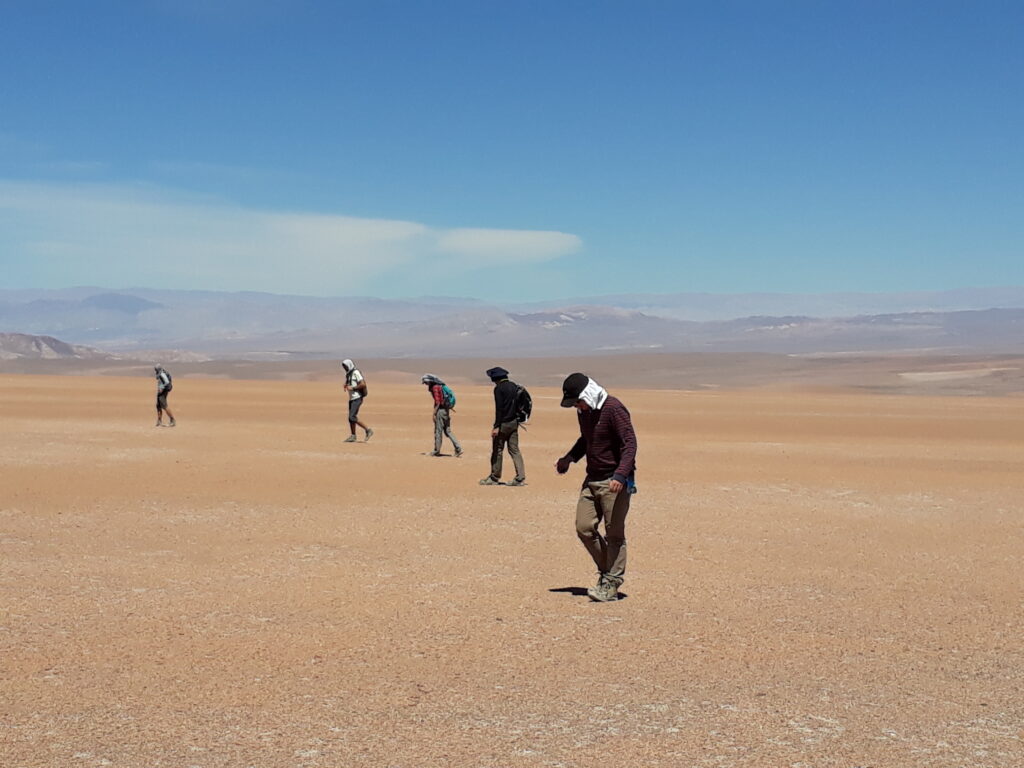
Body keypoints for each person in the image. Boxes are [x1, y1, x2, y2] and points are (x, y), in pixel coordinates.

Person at [555, 372, 638, 602]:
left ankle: (611, 582)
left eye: (577, 402)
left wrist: (621, 475)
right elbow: (586, 439)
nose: (576, 407)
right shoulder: (585, 412)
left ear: (587, 395)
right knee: (584, 527)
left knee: (615, 534)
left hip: (614, 481)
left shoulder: (613, 409)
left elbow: (629, 444)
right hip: (592, 479)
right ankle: (607, 572)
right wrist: (569, 459)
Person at [479, 366, 526, 486]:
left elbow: (499, 409)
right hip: (514, 423)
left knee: (497, 450)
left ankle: (494, 477)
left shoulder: (499, 389)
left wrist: (496, 426)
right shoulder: (514, 386)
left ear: (495, 378)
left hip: (503, 424)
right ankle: (520, 477)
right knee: (515, 450)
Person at [421, 374, 463, 457]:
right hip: (446, 411)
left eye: (426, 382)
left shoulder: (435, 387)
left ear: (430, 381)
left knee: (438, 431)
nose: (425, 384)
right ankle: (458, 448)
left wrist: (434, 413)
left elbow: (438, 402)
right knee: (448, 431)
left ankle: (436, 451)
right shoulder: (440, 386)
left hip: (440, 411)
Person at [341, 359, 373, 442]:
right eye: (344, 367)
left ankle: (368, 430)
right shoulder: (348, 374)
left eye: (345, 366)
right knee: (350, 418)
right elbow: (351, 383)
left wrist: (353, 388)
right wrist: (346, 385)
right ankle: (353, 436)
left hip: (357, 398)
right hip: (352, 398)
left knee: (352, 417)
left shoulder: (356, 372)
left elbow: (363, 384)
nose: (344, 368)